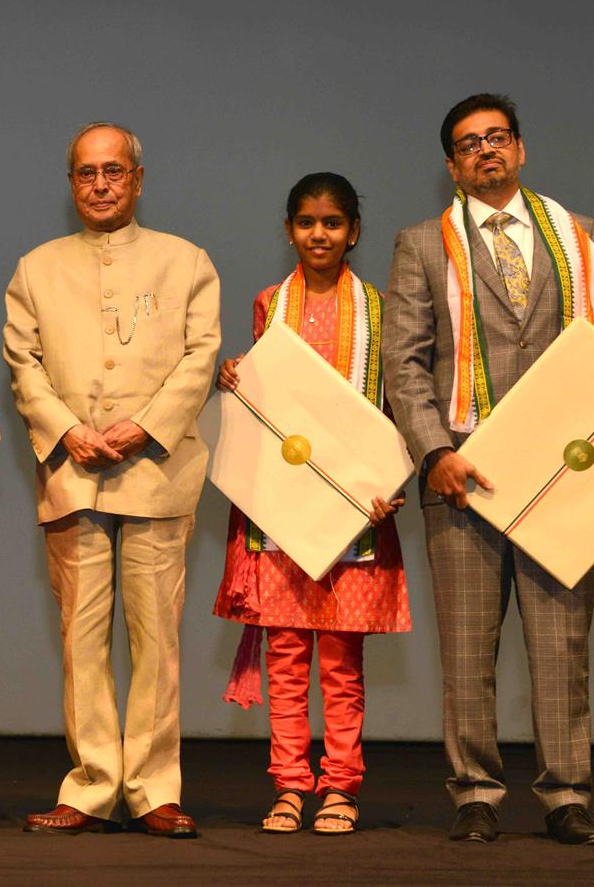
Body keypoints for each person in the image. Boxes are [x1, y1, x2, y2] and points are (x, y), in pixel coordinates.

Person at [383, 93, 594, 846]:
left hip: (564, 480)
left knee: (561, 646)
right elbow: (405, 365)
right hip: (464, 477)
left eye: (498, 137)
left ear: (519, 150)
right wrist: (433, 452)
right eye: (468, 143)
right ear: (451, 166)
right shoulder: (424, 244)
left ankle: (566, 796)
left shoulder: (579, 236)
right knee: (467, 650)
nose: (486, 150)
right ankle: (476, 794)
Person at [3, 122, 220, 838]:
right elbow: (23, 366)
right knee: (80, 637)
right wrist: (67, 430)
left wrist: (143, 427)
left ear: (138, 178)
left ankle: (154, 788)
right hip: (72, 473)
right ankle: (92, 783)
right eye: (86, 173)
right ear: (71, 184)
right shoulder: (36, 267)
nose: (100, 184)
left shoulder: (186, 262)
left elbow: (200, 359)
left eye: (113, 171)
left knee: (157, 639)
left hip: (156, 470)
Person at [213, 173, 411, 836]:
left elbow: (394, 409)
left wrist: (391, 479)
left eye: (332, 223)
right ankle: (291, 786)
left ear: (354, 231)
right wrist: (234, 381)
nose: (318, 234)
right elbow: (269, 404)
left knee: (341, 666)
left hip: (358, 511)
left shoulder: (381, 311)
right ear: (290, 229)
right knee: (288, 659)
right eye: (305, 222)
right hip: (282, 512)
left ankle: (342, 787)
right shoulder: (271, 305)